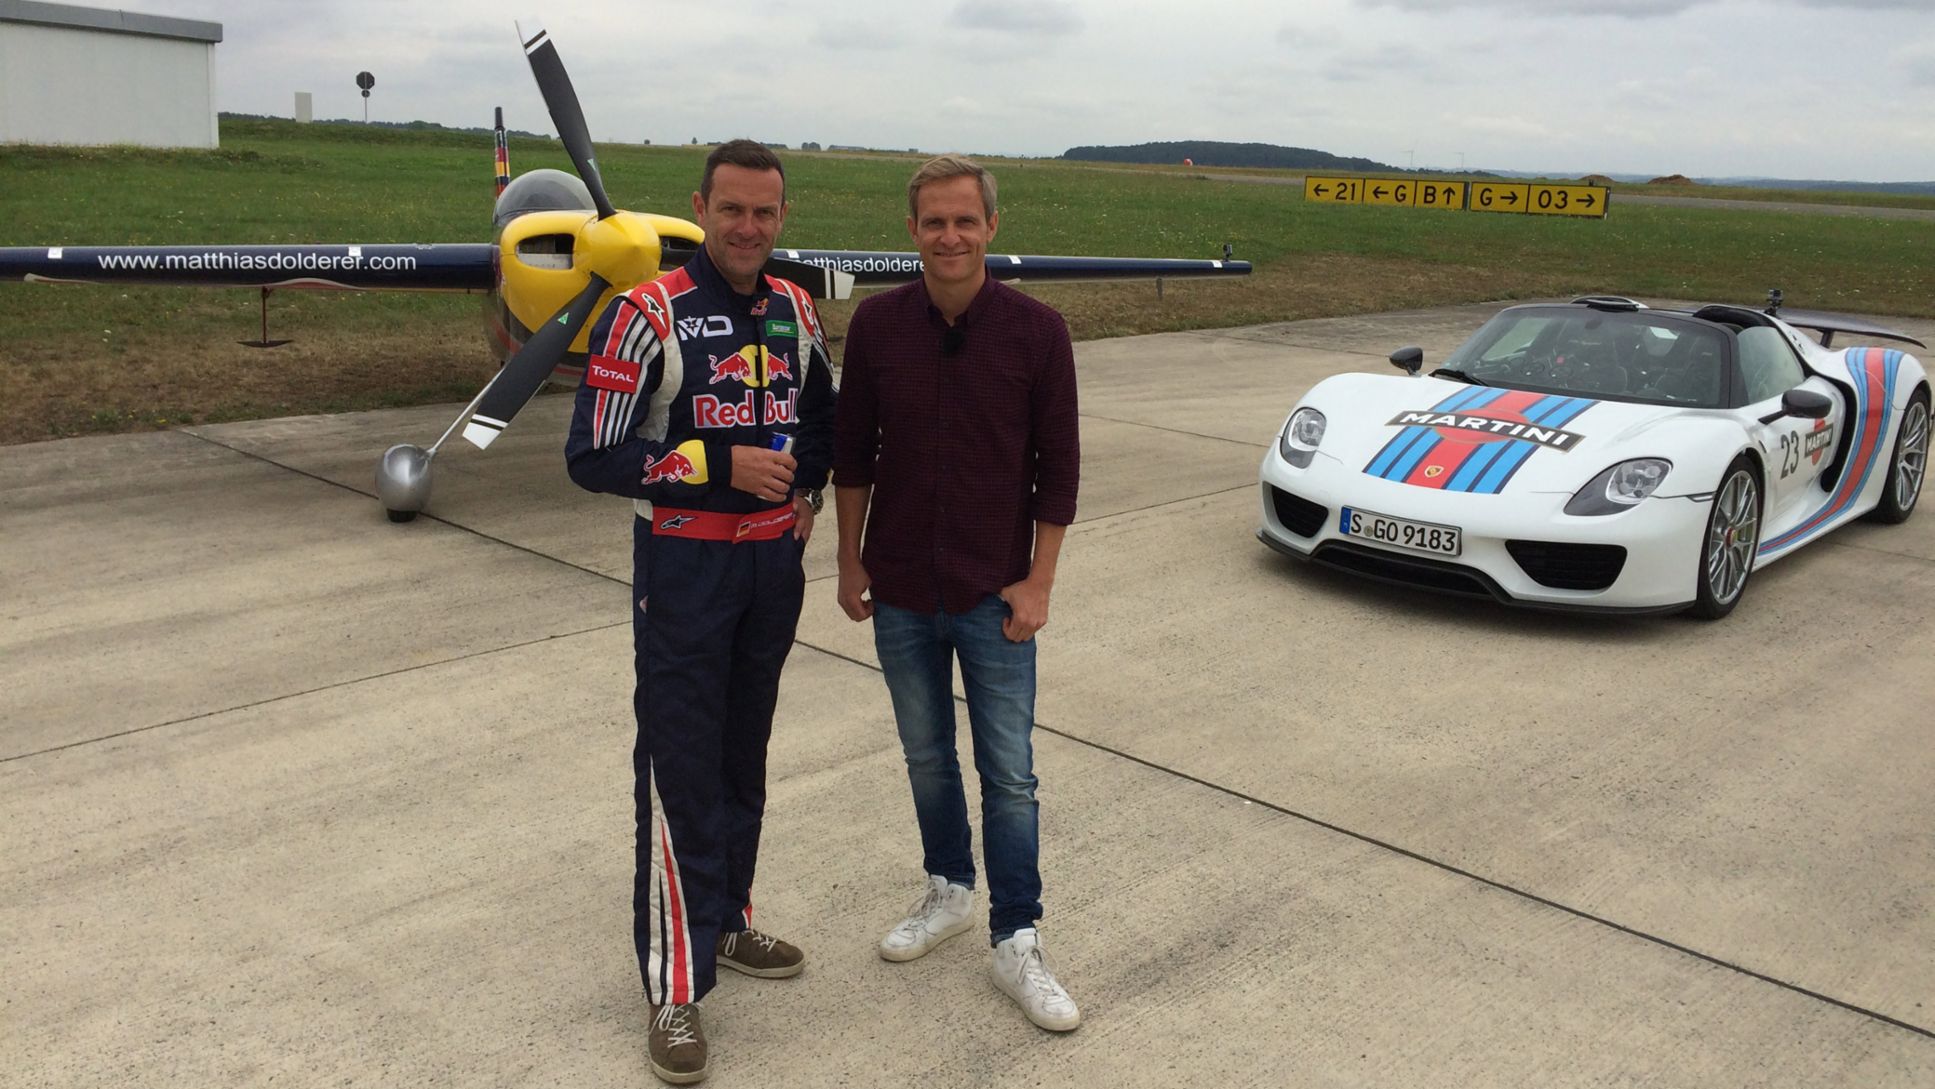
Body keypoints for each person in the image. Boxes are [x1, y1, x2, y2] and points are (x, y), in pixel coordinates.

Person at [565, 139, 834, 1085]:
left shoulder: (799, 310)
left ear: (781, 216)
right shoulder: (645, 314)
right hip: (681, 566)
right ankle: (672, 987)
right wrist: (715, 466)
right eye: (732, 210)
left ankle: (725, 921)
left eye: (765, 212)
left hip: (771, 574)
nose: (749, 228)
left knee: (741, 753)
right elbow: (591, 456)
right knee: (679, 757)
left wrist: (810, 496)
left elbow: (822, 422)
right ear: (701, 207)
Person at [832, 155, 1082, 1032]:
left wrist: (1038, 581)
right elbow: (851, 452)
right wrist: (848, 560)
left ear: (990, 228)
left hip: (994, 594)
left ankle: (1018, 936)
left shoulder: (1037, 332)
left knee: (1008, 773)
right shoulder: (875, 327)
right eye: (933, 222)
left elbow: (1059, 473)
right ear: (911, 232)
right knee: (925, 754)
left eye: (964, 221)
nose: (949, 236)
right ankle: (949, 887)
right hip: (897, 587)